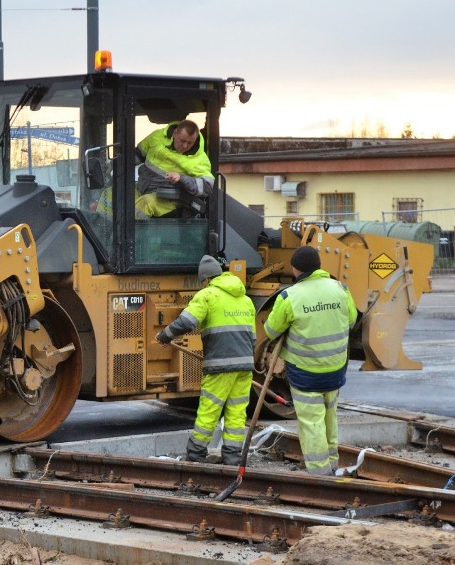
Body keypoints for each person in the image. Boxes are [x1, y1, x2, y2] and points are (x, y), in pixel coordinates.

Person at [263, 246, 358, 475]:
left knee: (311, 421)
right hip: (336, 369)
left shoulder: (290, 296)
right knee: (329, 417)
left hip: (306, 372)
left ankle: (318, 471)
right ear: (318, 266)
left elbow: (271, 331)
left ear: (296, 269)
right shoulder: (340, 289)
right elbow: (352, 320)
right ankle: (333, 464)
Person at [155, 255, 256, 465]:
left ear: (206, 280)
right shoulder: (245, 299)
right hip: (245, 364)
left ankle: (196, 452)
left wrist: (165, 335)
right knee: (237, 411)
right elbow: (253, 336)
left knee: (210, 408)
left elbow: (186, 322)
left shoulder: (208, 295)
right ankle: (232, 456)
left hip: (220, 365)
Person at [134, 119, 214, 219]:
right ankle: (110, 232)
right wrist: (112, 165)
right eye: (183, 141)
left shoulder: (199, 159)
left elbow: (208, 186)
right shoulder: (156, 137)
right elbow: (137, 155)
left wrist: (182, 178)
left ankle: (131, 234)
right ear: (175, 133)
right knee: (113, 195)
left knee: (144, 204)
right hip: (142, 187)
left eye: (190, 143)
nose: (185, 146)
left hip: (168, 198)